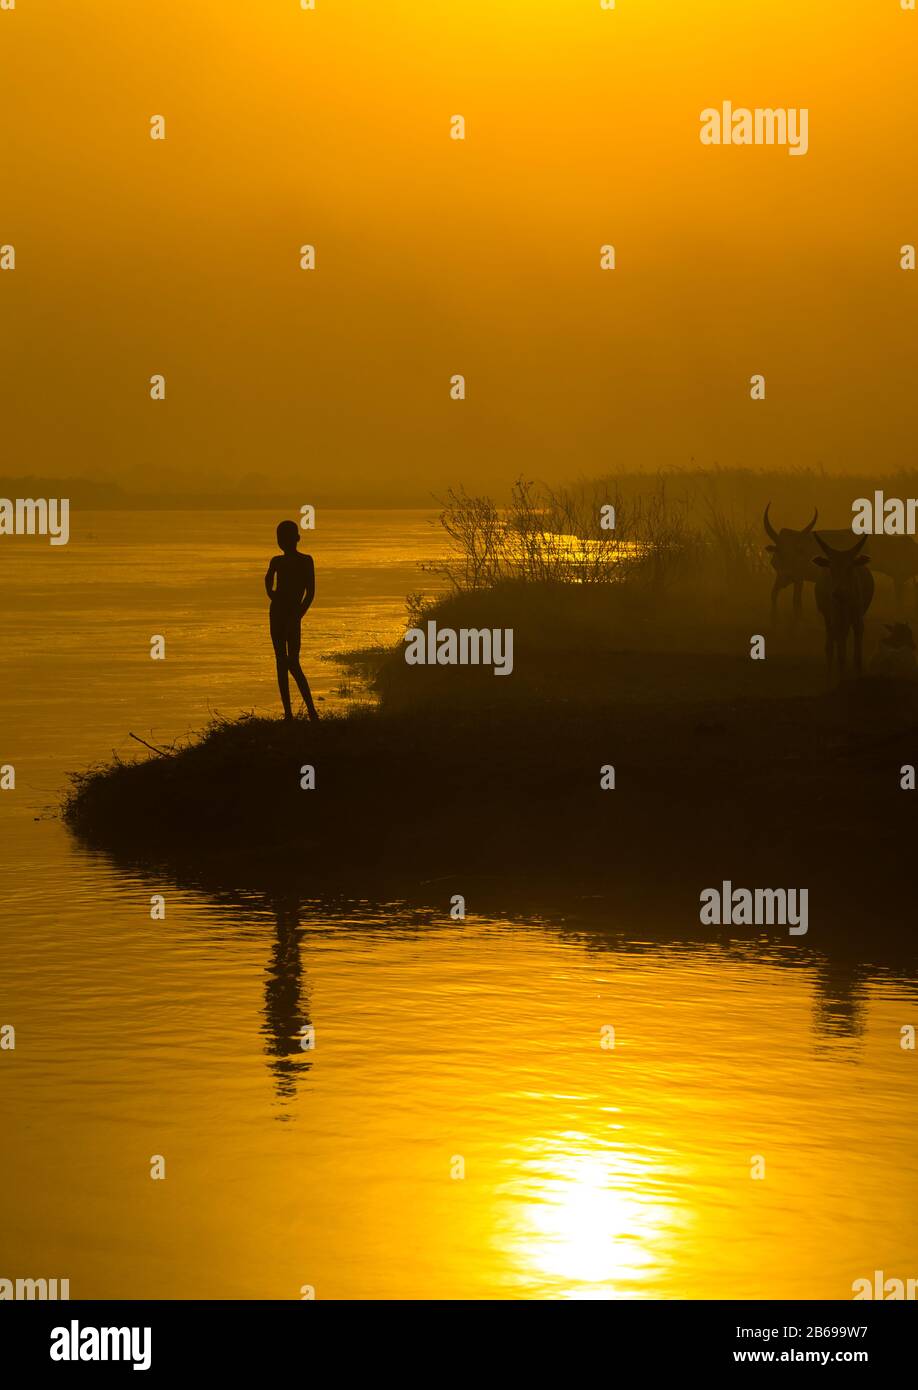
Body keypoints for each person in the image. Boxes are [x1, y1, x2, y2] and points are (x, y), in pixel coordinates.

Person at [264, 520, 318, 720]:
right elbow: (268, 579)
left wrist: (297, 616)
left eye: (286, 538)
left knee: (293, 662)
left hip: (292, 614)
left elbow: (310, 593)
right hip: (277, 613)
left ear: (297, 539)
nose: (283, 542)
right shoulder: (276, 561)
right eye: (280, 538)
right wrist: (271, 594)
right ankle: (288, 714)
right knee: (281, 661)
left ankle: (311, 711)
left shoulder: (306, 560)